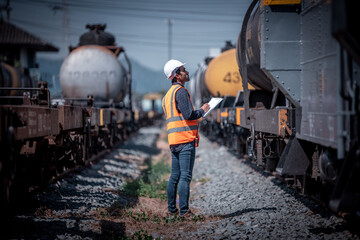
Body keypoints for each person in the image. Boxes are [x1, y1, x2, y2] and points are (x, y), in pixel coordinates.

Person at [162, 59, 210, 217]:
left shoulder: (167, 96)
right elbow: (189, 115)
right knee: (185, 176)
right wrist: (203, 110)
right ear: (176, 75)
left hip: (174, 140)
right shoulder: (180, 91)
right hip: (185, 139)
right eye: (183, 70)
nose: (187, 72)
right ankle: (184, 211)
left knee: (174, 176)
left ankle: (171, 210)